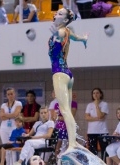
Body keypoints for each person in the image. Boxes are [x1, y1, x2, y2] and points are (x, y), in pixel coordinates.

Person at [49, 7, 88, 150]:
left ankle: (72, 143)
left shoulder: (60, 31)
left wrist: (56, 35)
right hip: (68, 75)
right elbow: (77, 38)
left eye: (59, 13)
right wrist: (84, 39)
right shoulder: (68, 31)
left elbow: (59, 36)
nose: (55, 14)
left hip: (59, 73)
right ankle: (73, 141)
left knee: (64, 110)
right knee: (67, 111)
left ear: (65, 20)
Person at [85, 88, 109, 160]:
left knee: (104, 150)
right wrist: (98, 118)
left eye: (97, 93)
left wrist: (96, 105)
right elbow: (87, 118)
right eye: (94, 93)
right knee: (92, 150)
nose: (95, 94)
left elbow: (100, 115)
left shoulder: (104, 104)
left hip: (103, 131)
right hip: (92, 131)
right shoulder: (89, 105)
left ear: (100, 94)